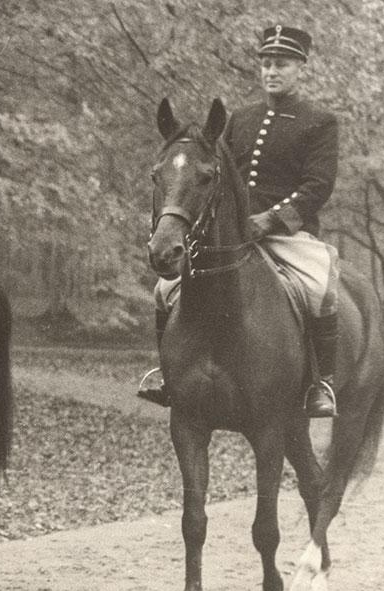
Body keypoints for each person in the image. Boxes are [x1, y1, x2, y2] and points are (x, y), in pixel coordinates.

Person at [138, 25, 341, 418]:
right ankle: (168, 376)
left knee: (320, 289)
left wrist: (270, 220)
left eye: (281, 64)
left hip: (287, 234)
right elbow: (217, 176)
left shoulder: (319, 121)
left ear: (301, 67)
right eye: (266, 64)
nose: (271, 72)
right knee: (165, 290)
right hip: (231, 234)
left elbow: (318, 185)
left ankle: (321, 384)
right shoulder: (240, 119)